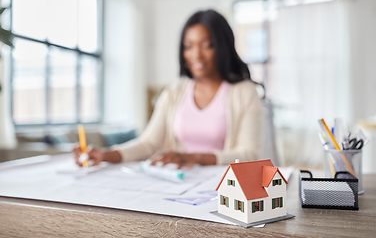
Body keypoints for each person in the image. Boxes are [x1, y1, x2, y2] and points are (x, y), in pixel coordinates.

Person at [73, 9, 263, 168]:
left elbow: (248, 154)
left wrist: (194, 158)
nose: (196, 54)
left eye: (207, 45)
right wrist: (105, 155)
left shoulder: (245, 92)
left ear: (223, 47)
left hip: (224, 186)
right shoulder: (174, 93)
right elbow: (148, 143)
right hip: (179, 183)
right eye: (188, 46)